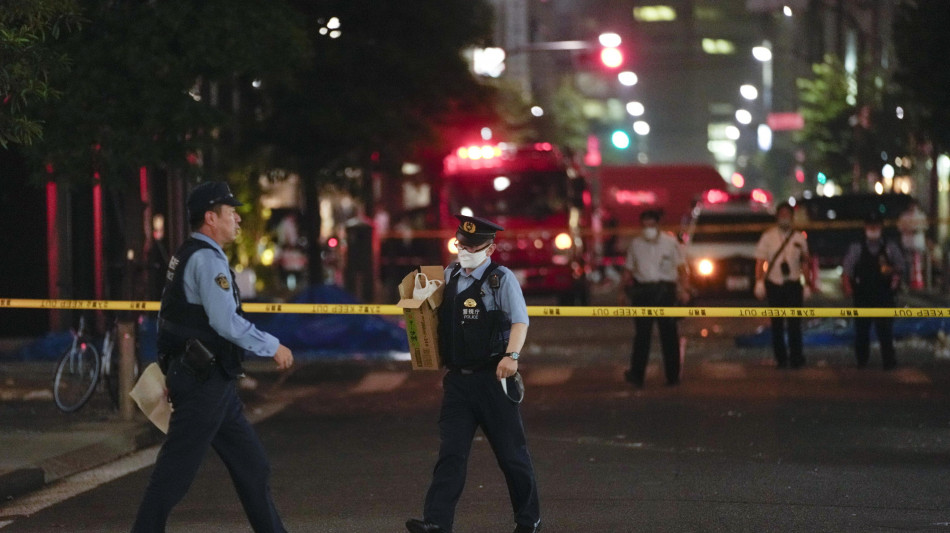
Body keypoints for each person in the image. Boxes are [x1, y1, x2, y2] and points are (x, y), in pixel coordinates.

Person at [132, 181, 294, 533]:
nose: (237, 219)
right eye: (231, 212)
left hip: (212, 379)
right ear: (210, 217)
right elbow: (225, 323)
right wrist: (272, 346)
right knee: (174, 473)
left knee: (252, 467)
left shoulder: (190, 252)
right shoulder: (207, 261)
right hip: (202, 382)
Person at [406, 214, 541, 533]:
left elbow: (520, 321)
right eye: (460, 244)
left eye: (472, 246)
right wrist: (416, 300)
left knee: (511, 456)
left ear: (489, 248)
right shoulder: (449, 275)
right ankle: (436, 522)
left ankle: (528, 518)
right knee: (451, 454)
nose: (464, 251)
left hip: (493, 379)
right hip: (458, 384)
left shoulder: (501, 279)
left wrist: (512, 355)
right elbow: (425, 318)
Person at [621, 209, 689, 388]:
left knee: (669, 335)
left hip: (665, 291)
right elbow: (629, 269)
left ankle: (672, 376)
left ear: (658, 225)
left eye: (651, 225)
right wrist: (623, 291)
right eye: (644, 225)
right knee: (642, 335)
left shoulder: (670, 243)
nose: (647, 229)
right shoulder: (636, 244)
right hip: (643, 291)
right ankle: (637, 375)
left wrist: (683, 290)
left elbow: (682, 269)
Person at [753, 202, 816, 369]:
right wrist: (759, 282)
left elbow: (805, 262)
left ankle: (796, 358)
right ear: (777, 217)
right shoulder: (768, 237)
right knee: (777, 324)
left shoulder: (799, 238)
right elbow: (760, 261)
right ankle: (781, 359)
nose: (784, 218)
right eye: (781, 214)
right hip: (774, 284)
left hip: (793, 284)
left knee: (795, 324)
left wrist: (808, 283)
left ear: (792, 217)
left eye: (787, 215)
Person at [841, 211, 904, 370]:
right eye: (870, 225)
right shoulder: (857, 247)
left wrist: (892, 273)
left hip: (884, 295)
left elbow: (901, 267)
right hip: (862, 295)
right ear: (865, 227)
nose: (873, 228)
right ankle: (862, 362)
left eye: (876, 225)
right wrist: (848, 288)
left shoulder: (890, 247)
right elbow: (847, 271)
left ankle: (888, 362)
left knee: (885, 331)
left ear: (881, 227)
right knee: (861, 331)